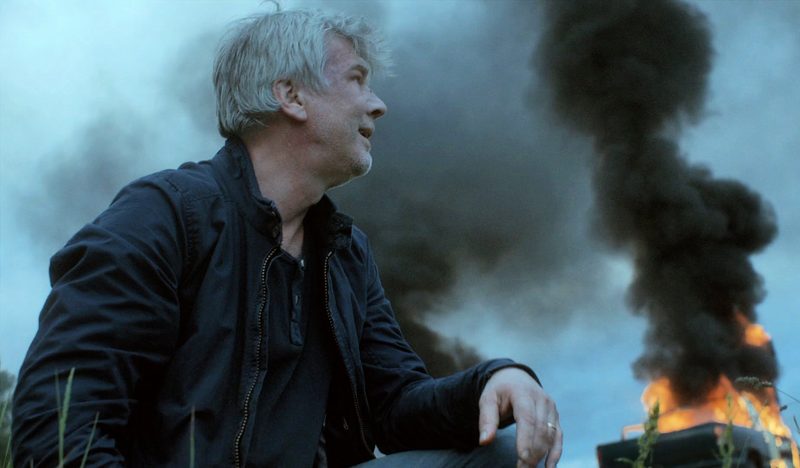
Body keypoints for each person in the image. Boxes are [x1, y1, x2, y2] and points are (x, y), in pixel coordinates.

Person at [12, 9, 562, 468]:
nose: (377, 104)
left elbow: (394, 407)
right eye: (356, 79)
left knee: (503, 454)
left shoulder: (345, 252)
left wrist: (495, 380)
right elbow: (57, 423)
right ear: (291, 95)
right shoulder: (164, 216)